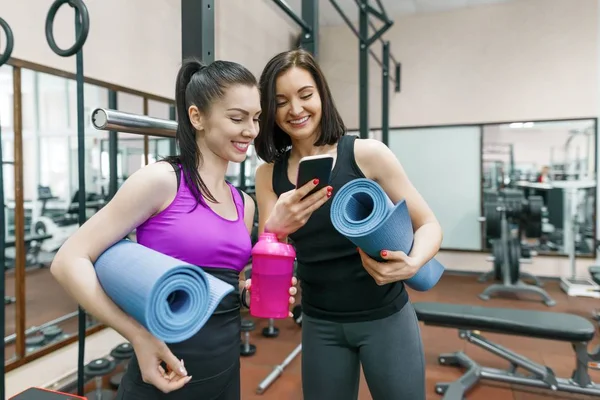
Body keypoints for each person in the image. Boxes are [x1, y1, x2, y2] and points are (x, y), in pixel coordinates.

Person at [50, 58, 297, 399]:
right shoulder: (162, 181)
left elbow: (223, 283)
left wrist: (246, 293)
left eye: (255, 119)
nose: (251, 131)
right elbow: (68, 260)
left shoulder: (245, 203)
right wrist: (138, 336)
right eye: (237, 118)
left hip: (225, 372)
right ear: (197, 117)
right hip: (163, 373)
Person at [253, 48, 443, 400]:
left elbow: (429, 223)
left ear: (321, 95)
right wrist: (275, 230)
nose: (295, 109)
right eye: (281, 101)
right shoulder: (268, 175)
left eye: (305, 95)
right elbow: (270, 251)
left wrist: (412, 264)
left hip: (385, 317)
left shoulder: (366, 154)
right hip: (319, 323)